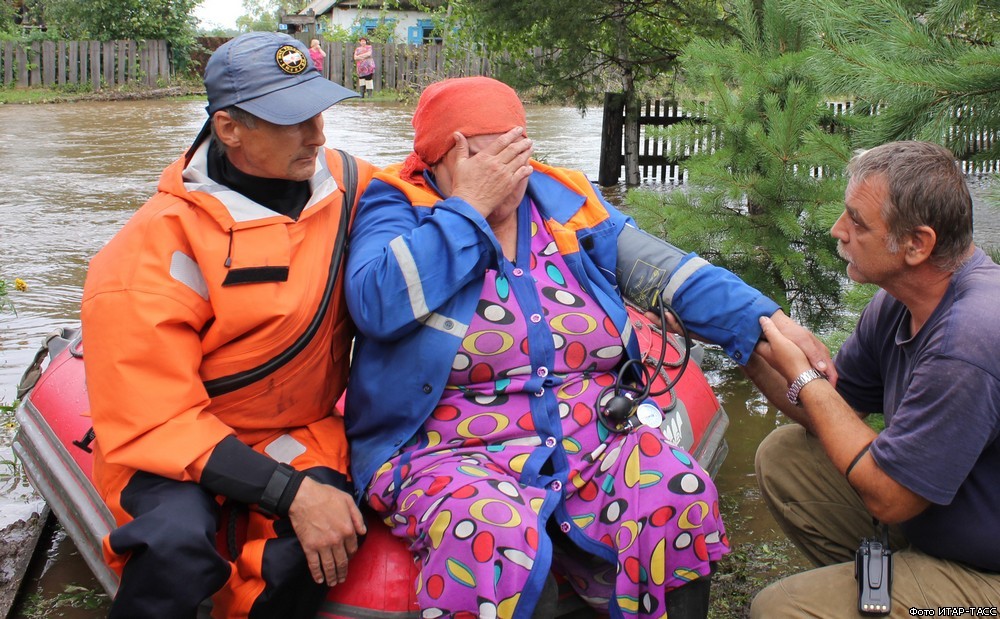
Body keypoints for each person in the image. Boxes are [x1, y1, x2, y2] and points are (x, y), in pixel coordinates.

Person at [343, 76, 835, 618]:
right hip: (450, 448)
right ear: (439, 160)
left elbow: (663, 269)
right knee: (490, 535)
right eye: (485, 160)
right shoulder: (395, 204)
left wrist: (765, 316)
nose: (508, 177)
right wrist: (467, 209)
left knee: (678, 490)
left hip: (588, 433)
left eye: (517, 153)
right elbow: (376, 303)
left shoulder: (564, 201)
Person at [80, 32, 377, 618]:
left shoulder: (348, 186)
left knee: (319, 542)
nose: (317, 134)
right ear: (229, 128)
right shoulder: (149, 251)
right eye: (292, 121)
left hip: (294, 427)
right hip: (171, 444)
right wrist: (290, 493)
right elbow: (155, 421)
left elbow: (435, 190)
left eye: (318, 113)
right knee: (175, 547)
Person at [748, 141, 1000, 617]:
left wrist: (804, 375)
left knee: (779, 610)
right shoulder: (901, 303)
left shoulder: (969, 338)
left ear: (916, 244)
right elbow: (830, 408)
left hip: (990, 580)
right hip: (942, 525)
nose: (837, 230)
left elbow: (891, 498)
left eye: (858, 222)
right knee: (787, 457)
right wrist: (743, 342)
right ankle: (903, 587)